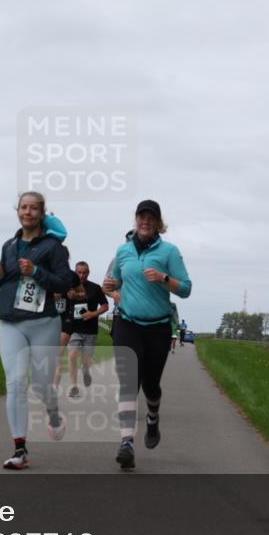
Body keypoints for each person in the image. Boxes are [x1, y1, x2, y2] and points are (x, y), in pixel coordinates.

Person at [0, 192, 77, 469]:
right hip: (10, 322)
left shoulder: (53, 247)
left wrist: (37, 271)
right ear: (18, 211)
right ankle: (20, 449)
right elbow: (7, 284)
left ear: (42, 213)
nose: (27, 212)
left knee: (40, 384)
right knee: (15, 382)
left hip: (43, 323)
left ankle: (53, 413)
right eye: (23, 207)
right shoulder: (9, 245)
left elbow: (65, 283)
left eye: (33, 208)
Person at [103, 200, 191, 469]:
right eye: (142, 216)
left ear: (158, 223)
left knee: (151, 384)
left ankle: (153, 417)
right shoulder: (123, 251)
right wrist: (111, 286)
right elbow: (114, 280)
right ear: (136, 220)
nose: (145, 221)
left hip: (158, 327)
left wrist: (164, 278)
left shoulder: (169, 251)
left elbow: (186, 288)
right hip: (128, 322)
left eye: (151, 218)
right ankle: (126, 442)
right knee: (130, 382)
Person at [65, 261, 109, 397]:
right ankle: (73, 387)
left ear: (88, 273)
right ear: (75, 272)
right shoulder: (69, 287)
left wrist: (93, 314)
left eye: (84, 272)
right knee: (72, 356)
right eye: (79, 272)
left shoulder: (95, 288)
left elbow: (105, 306)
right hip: (74, 328)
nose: (82, 275)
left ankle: (86, 371)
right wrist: (66, 295)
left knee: (85, 361)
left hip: (90, 330)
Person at [52, 245, 75, 391]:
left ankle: (54, 387)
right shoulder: (46, 273)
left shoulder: (71, 276)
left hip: (65, 319)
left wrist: (69, 293)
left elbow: (81, 293)